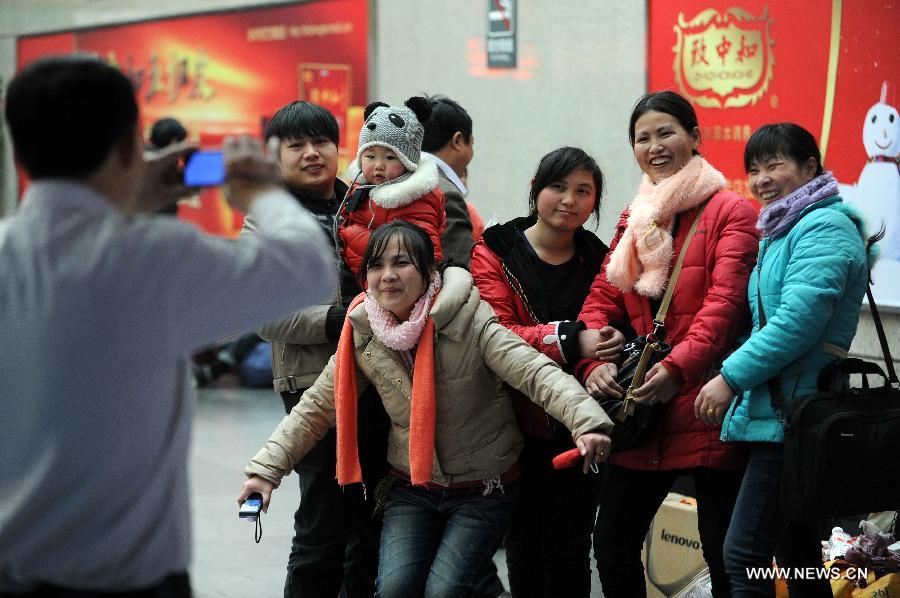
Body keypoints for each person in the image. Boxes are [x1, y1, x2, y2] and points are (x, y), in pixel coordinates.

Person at [0, 55, 336, 595]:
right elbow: (307, 270)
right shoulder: (152, 257)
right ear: (132, 145)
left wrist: (131, 196)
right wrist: (260, 192)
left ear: (19, 152)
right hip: (130, 575)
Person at [238, 220, 615, 598]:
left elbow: (536, 373)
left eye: (401, 263)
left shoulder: (471, 320)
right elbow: (315, 408)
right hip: (412, 487)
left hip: (484, 488)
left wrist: (587, 423)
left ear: (428, 270)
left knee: (444, 590)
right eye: (376, 265)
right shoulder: (363, 332)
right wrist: (264, 472)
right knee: (394, 589)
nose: (387, 276)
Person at [577, 90, 760, 598]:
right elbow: (600, 299)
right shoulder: (635, 217)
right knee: (612, 544)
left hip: (707, 408)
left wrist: (678, 368)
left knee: (726, 557)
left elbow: (725, 307)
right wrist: (593, 360)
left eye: (666, 133)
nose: (654, 146)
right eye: (643, 138)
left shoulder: (731, 211)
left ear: (695, 138)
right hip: (641, 410)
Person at [695, 123, 875, 597]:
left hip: (795, 418)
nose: (761, 179)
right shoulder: (785, 228)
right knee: (796, 553)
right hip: (785, 413)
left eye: (774, 165)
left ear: (809, 167)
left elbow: (797, 323)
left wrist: (730, 377)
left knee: (744, 554)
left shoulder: (823, 226)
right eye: (753, 169)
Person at [246, 100, 388, 598]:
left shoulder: (368, 205)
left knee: (373, 516)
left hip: (385, 379)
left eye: (321, 142)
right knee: (324, 520)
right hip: (313, 385)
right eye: (296, 145)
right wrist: (340, 320)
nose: (312, 153)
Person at [470, 147, 622, 598]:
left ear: (595, 203)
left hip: (580, 424)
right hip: (511, 420)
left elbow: (612, 325)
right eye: (558, 187)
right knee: (523, 541)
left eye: (583, 191)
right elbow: (497, 335)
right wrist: (572, 340)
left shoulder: (602, 260)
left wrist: (605, 350)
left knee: (571, 544)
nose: (569, 200)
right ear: (536, 189)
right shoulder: (495, 250)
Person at [338, 97, 446, 275]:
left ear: (408, 162)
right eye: (370, 157)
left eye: (390, 157)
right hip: (358, 283)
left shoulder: (417, 200)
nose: (379, 165)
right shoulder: (359, 189)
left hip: (392, 289)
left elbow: (426, 257)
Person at [421, 94, 477, 265]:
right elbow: (461, 266)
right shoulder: (446, 194)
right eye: (472, 143)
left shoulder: (395, 176)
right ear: (458, 140)